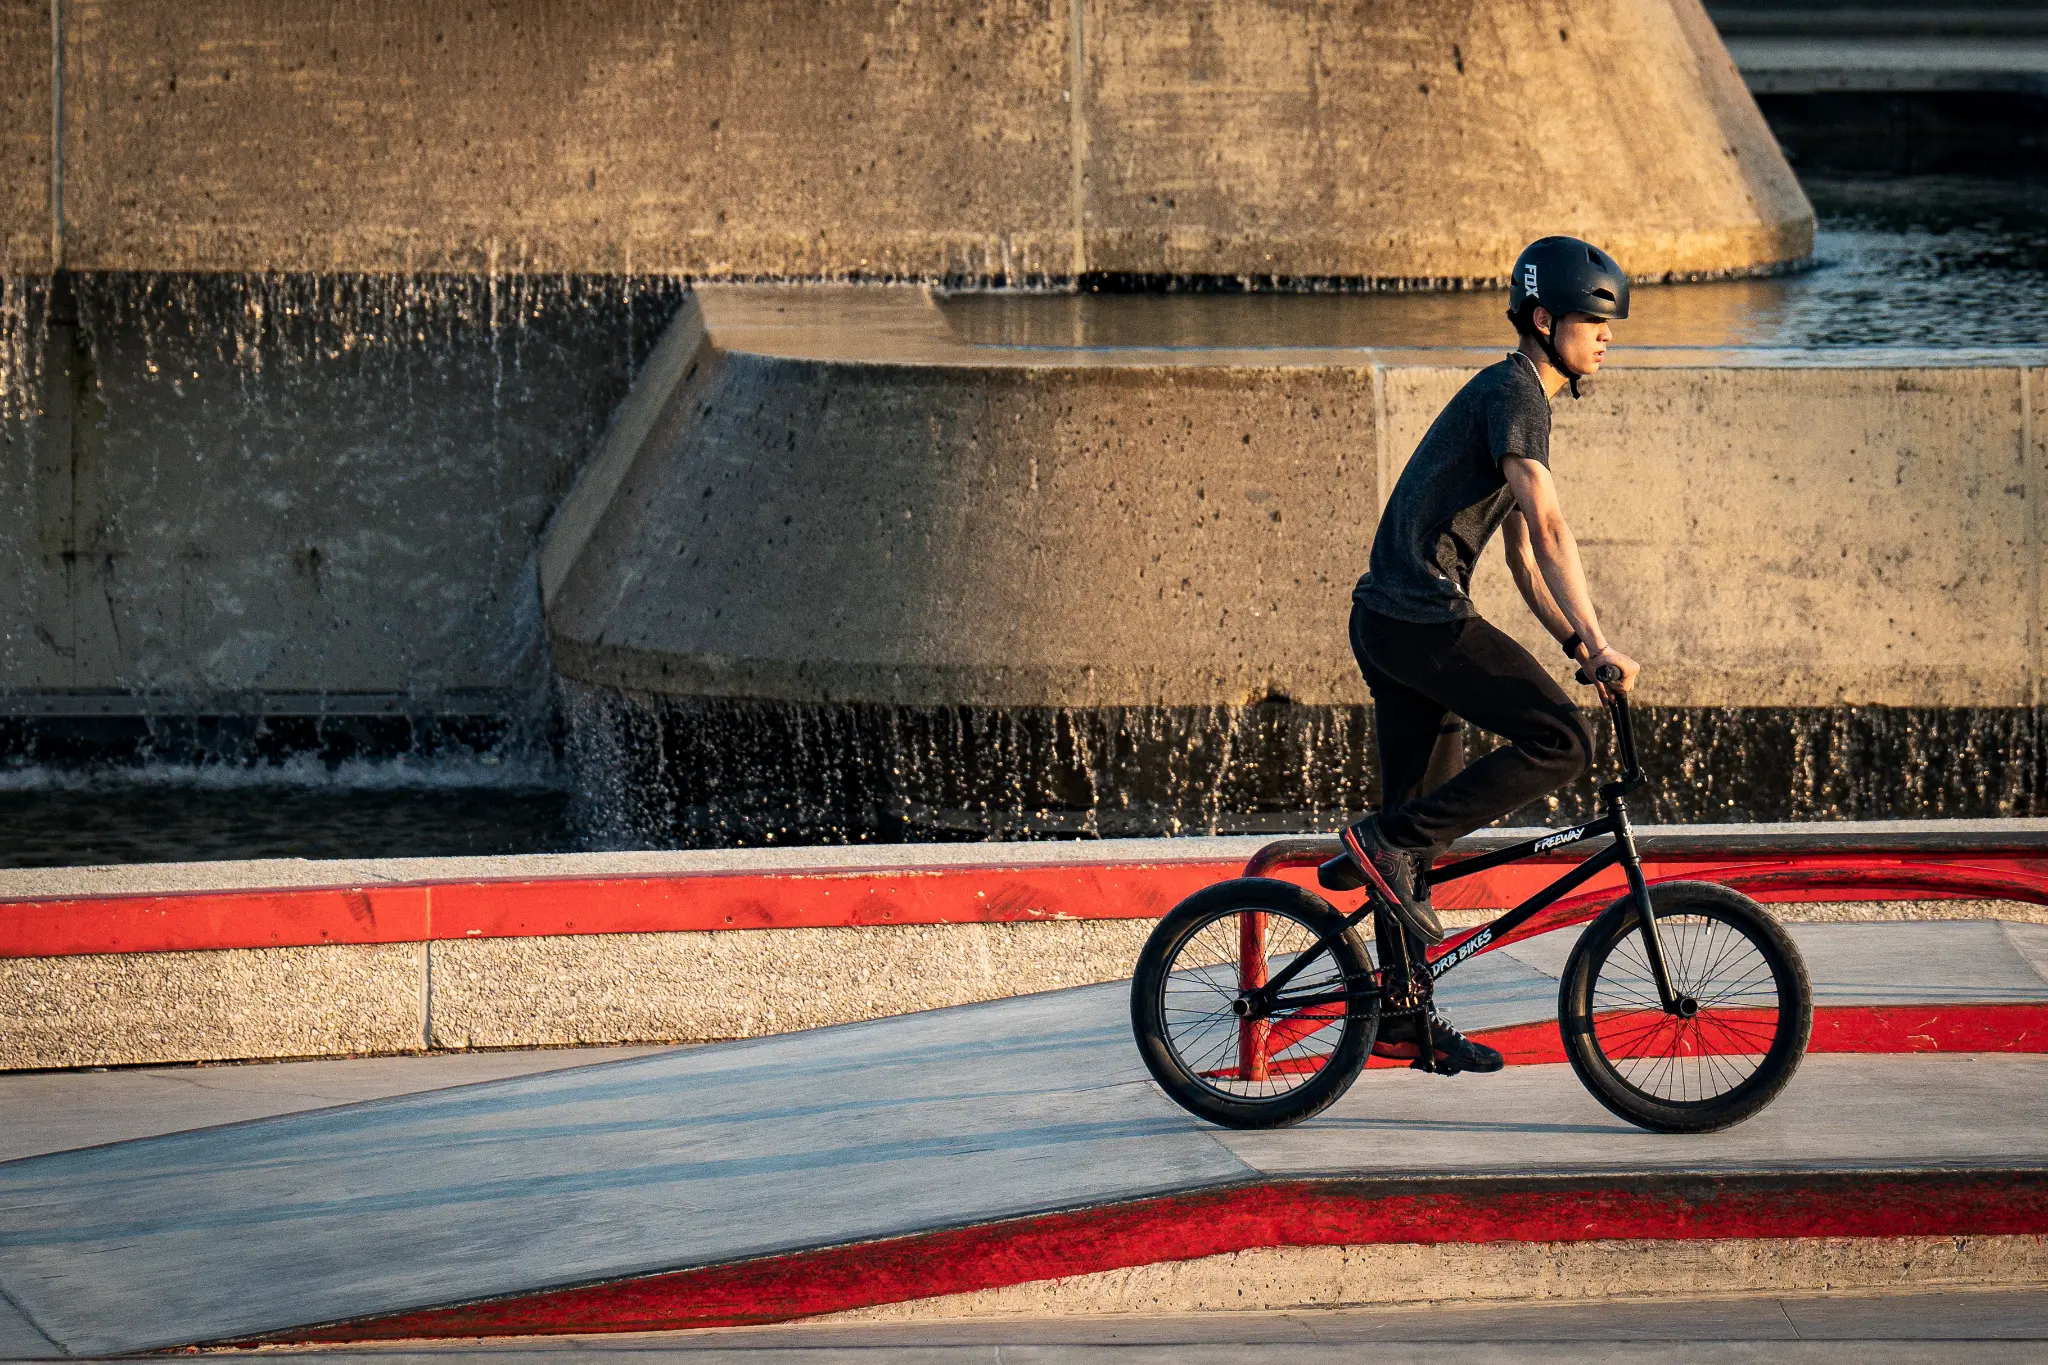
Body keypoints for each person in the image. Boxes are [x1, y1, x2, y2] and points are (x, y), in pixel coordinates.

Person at [1334, 236, 1642, 1076]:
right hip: (1419, 618)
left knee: (1412, 834)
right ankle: (1388, 846)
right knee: (1561, 740)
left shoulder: (1508, 400)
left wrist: (1578, 646)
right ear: (1545, 321)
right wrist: (1607, 641)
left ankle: (1401, 1017)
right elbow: (1547, 526)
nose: (1607, 336)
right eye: (1593, 321)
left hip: (1390, 621)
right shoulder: (1516, 392)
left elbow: (1515, 554)